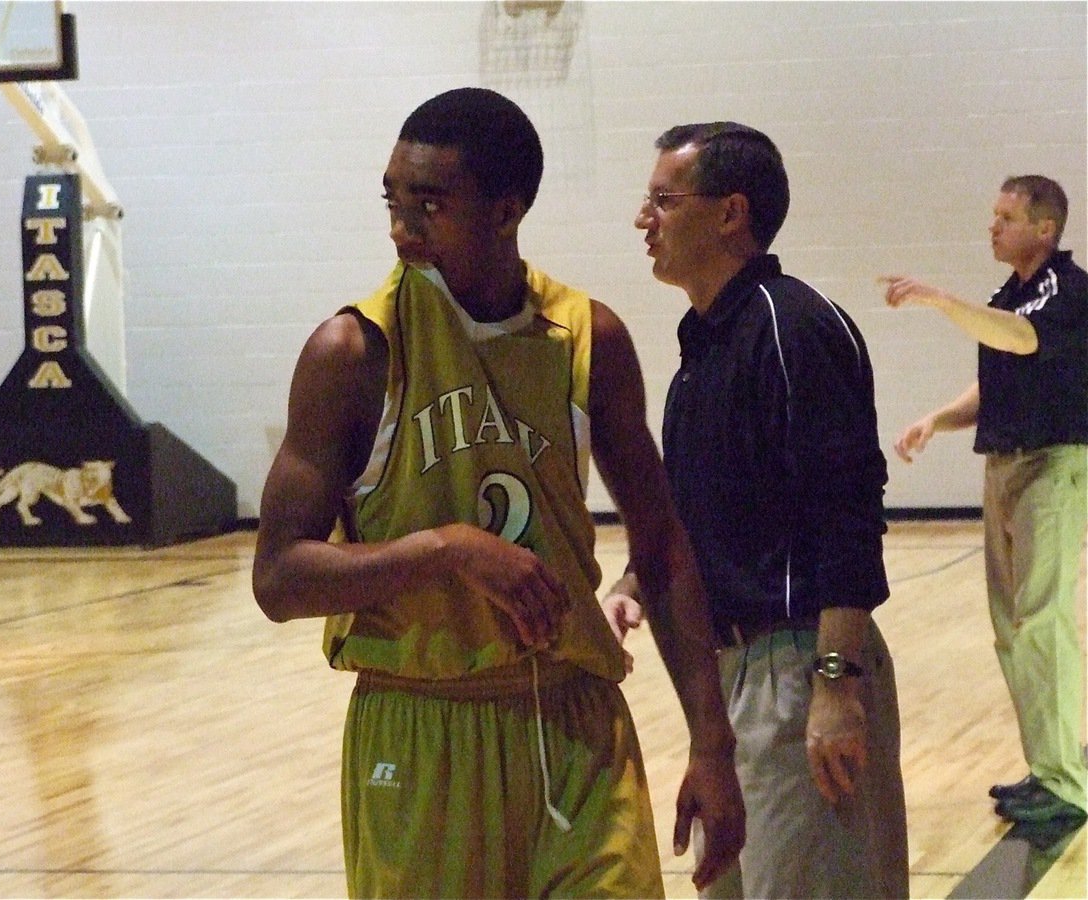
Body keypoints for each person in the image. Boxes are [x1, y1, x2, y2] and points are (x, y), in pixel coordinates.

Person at [252, 87, 744, 898]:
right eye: (393, 202)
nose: (402, 229)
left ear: (507, 211)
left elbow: (660, 544)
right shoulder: (353, 352)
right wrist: (446, 549)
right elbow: (278, 579)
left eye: (430, 206)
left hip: (575, 722)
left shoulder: (589, 338)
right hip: (419, 728)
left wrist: (712, 744)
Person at [606, 122, 909, 898]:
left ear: (729, 213)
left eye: (663, 200)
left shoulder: (794, 326)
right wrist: (634, 585)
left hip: (800, 672)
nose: (644, 219)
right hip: (727, 683)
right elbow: (696, 505)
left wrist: (835, 685)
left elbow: (847, 513)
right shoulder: (704, 345)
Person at [882, 175, 1088, 825]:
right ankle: (1047, 766)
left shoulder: (1065, 290)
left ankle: (1068, 783)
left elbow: (1021, 339)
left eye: (1006, 217)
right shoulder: (1010, 296)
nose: (992, 227)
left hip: (1051, 467)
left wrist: (941, 299)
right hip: (1004, 468)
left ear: (1044, 228)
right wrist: (937, 420)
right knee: (1012, 630)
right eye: (993, 215)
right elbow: (997, 378)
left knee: (1042, 623)